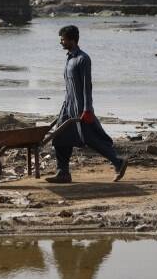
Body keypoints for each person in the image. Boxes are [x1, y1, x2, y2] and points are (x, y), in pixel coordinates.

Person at [46, 25, 128, 183]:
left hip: (81, 108)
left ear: (72, 40)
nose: (61, 42)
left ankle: (118, 162)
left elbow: (86, 86)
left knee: (90, 138)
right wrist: (64, 107)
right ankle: (63, 173)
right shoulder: (70, 58)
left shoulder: (83, 59)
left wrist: (87, 109)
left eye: (63, 39)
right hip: (68, 107)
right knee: (60, 138)